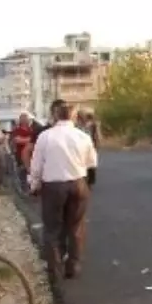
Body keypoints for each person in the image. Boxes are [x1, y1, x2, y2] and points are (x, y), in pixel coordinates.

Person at [29, 102, 97, 279]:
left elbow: (36, 165)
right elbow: (92, 164)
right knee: (75, 227)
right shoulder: (83, 137)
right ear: (73, 116)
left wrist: (34, 185)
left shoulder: (45, 137)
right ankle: (72, 265)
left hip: (53, 186)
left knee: (52, 228)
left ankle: (54, 267)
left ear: (55, 116)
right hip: (77, 183)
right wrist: (88, 185)